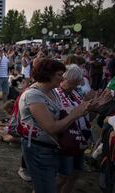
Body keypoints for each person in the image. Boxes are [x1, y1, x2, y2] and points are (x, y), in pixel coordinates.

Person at [18, 58, 98, 193]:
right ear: (48, 74)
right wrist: (75, 114)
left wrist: (87, 108)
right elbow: (51, 128)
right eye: (59, 74)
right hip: (39, 150)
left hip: (52, 148)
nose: (62, 79)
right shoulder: (33, 95)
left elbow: (60, 117)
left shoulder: (52, 91)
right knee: (46, 188)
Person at [54, 64, 111, 193]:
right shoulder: (56, 94)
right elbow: (69, 116)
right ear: (63, 79)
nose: (74, 86)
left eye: (76, 84)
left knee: (75, 174)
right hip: (65, 142)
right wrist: (88, 107)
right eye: (72, 83)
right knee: (62, 176)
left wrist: (97, 107)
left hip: (79, 140)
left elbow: (86, 118)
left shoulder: (74, 93)